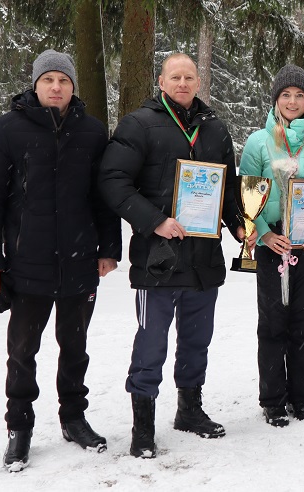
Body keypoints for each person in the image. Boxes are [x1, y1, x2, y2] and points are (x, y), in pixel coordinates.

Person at [0, 49, 122, 472]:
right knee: (22, 350)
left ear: (73, 88)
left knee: (75, 347)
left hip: (79, 261)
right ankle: (19, 427)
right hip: (26, 263)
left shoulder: (92, 133)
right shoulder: (7, 130)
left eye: (64, 81)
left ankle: (74, 417)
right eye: (48, 80)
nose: (56, 87)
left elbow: (103, 198)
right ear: (35, 85)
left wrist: (109, 250)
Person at [98, 53, 247, 458]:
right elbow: (112, 181)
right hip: (158, 259)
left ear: (198, 82)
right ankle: (142, 426)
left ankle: (189, 410)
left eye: (189, 77)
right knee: (151, 345)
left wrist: (237, 225)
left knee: (197, 341)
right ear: (161, 81)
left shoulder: (215, 128)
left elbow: (228, 188)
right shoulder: (138, 124)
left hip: (204, 260)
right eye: (175, 77)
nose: (182, 83)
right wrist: (155, 220)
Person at [238, 65, 304, 427]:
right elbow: (247, 192)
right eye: (286, 95)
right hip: (273, 242)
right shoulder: (258, 142)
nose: (293, 101)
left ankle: (300, 397)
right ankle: (273, 399)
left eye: (299, 95)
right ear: (276, 100)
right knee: (273, 323)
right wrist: (264, 232)